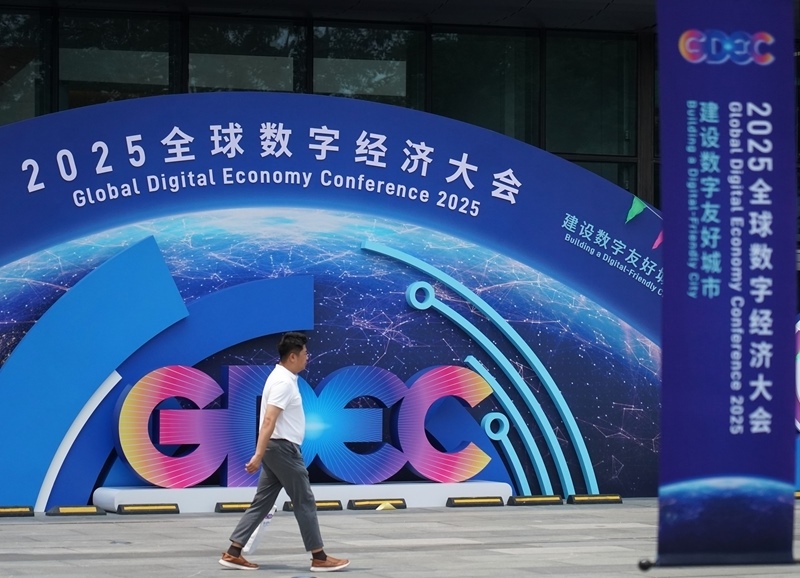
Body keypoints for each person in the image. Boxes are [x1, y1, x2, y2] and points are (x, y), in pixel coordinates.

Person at [219, 331, 350, 572]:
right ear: (292, 356)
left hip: (277, 448)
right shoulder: (283, 383)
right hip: (283, 449)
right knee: (304, 500)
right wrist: (258, 454)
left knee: (262, 502)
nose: (308, 357)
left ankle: (233, 552)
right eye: (305, 353)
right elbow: (269, 420)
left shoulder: (283, 377)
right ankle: (319, 557)